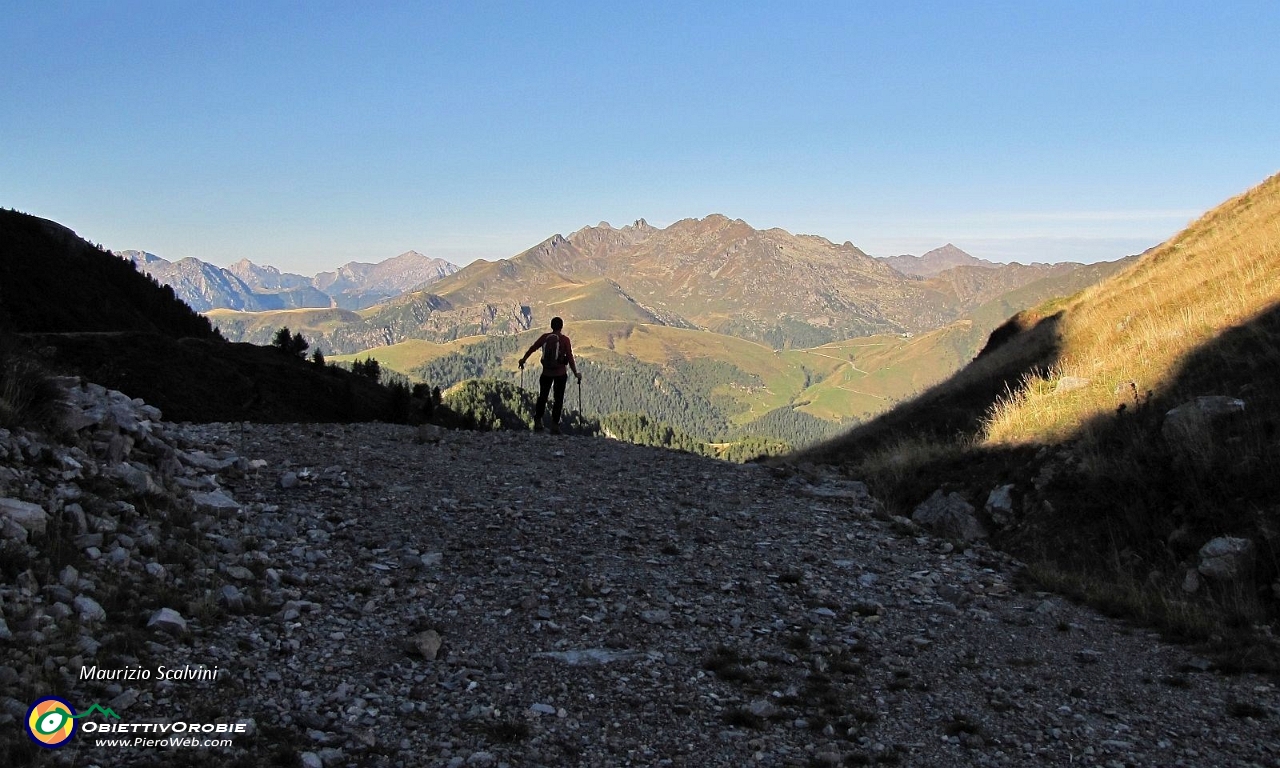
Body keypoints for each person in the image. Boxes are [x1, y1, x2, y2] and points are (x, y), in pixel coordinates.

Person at [518, 317, 581, 434]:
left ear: (551, 326)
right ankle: (555, 425)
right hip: (560, 374)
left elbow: (533, 348)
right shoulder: (565, 340)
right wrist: (576, 373)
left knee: (543, 397)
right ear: (561, 327)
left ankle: (538, 421)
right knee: (558, 399)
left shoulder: (545, 338)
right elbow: (570, 358)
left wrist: (523, 359)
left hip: (546, 373)